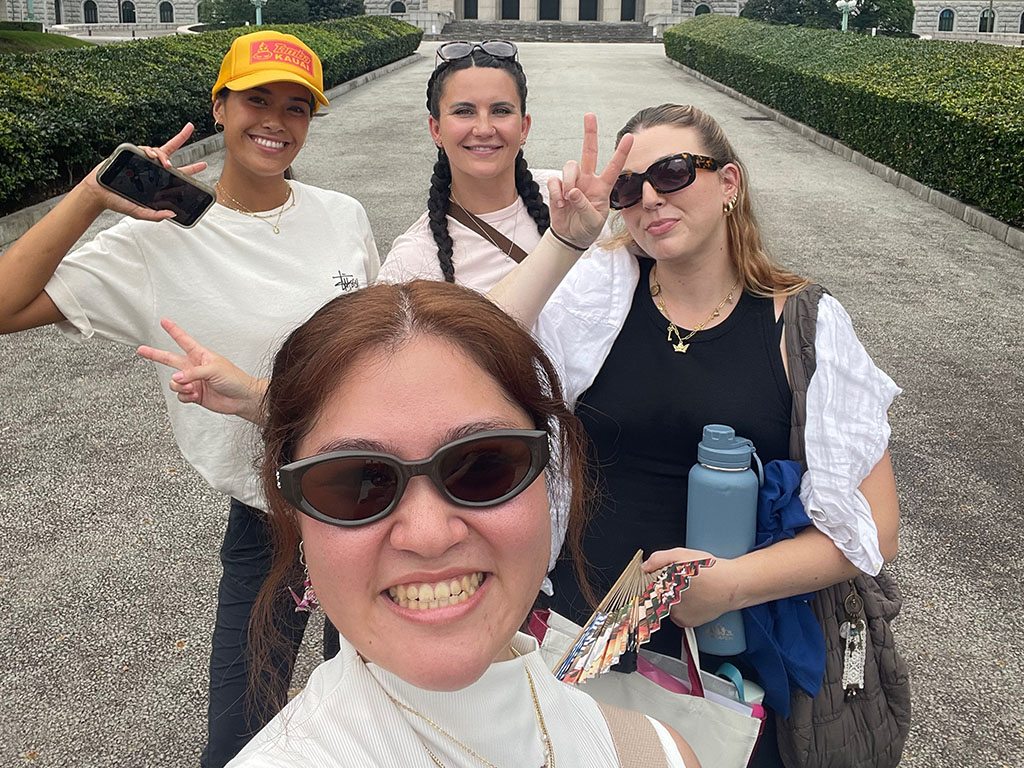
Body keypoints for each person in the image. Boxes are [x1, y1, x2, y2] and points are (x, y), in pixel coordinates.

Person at [0, 31, 378, 767]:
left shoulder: (342, 215)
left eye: (297, 107)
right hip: (272, 524)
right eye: (257, 99)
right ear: (220, 106)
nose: (276, 121)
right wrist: (91, 196)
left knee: (377, 724)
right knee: (240, 741)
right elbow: (6, 305)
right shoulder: (152, 240)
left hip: (378, 499)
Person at [489, 103, 901, 767]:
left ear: (729, 183)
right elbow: (477, 349)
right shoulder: (599, 294)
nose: (650, 197)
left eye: (674, 173)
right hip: (587, 629)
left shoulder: (805, 326)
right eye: (630, 188)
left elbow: (875, 530)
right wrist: (565, 242)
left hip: (729, 655)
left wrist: (730, 586)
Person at [226, 280, 700, 768]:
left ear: (548, 483)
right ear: (296, 516)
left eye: (483, 467)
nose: (429, 535)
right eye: (356, 484)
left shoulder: (657, 754)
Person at [378, 40, 556, 290]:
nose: (484, 129)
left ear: (524, 127)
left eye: (501, 111)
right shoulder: (411, 263)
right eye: (464, 112)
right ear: (436, 129)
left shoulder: (568, 200)